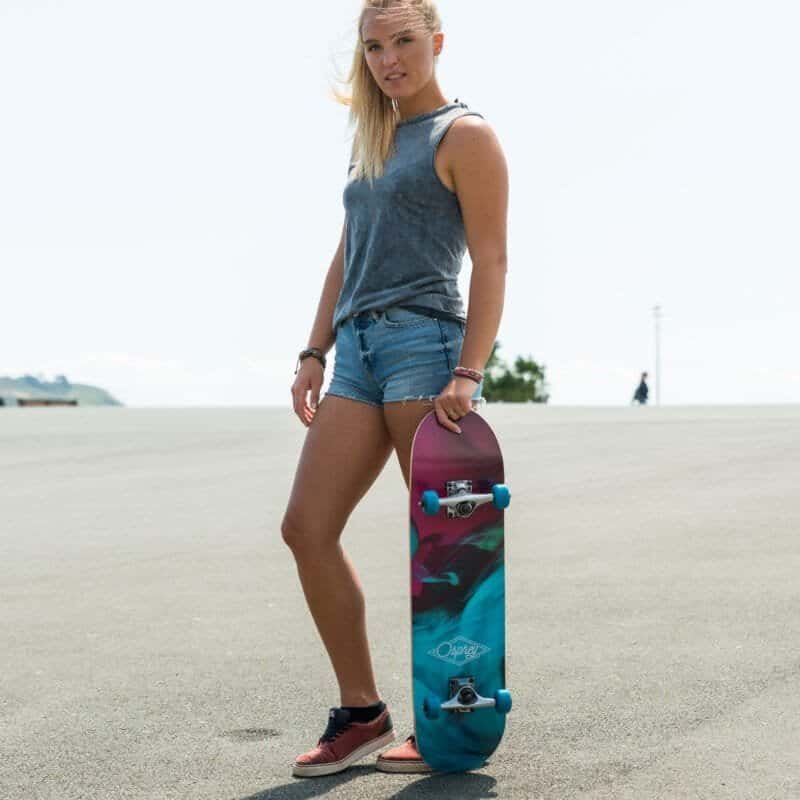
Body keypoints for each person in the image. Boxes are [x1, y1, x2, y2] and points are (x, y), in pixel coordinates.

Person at [283, 0, 508, 778]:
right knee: (306, 528)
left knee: (444, 551)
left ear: (436, 42)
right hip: (358, 354)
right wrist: (317, 348)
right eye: (374, 46)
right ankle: (363, 711)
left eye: (405, 41)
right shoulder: (372, 137)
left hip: (425, 344)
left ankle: (450, 718)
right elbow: (347, 252)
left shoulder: (464, 135)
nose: (389, 60)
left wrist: (469, 370)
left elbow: (492, 260)